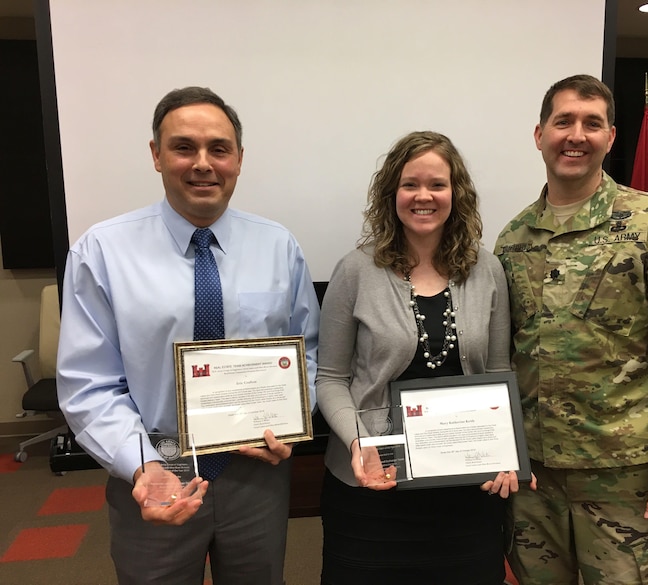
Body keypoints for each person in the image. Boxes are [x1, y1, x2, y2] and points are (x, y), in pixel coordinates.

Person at [56, 86, 319, 585]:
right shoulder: (101, 252)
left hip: (255, 472)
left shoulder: (278, 246)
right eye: (184, 147)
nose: (203, 163)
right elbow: (87, 383)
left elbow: (306, 350)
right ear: (156, 155)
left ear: (238, 159)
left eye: (219, 149)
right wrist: (142, 465)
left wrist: (287, 421)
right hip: (155, 469)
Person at [495, 74, 648, 585]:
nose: (576, 135)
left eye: (591, 123)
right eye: (563, 122)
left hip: (625, 476)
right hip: (535, 478)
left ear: (611, 138)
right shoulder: (513, 239)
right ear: (539, 134)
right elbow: (504, 358)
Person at [316, 130, 529, 585]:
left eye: (437, 184)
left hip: (465, 486)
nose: (423, 196)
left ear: (457, 193)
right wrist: (360, 443)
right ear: (392, 192)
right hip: (371, 484)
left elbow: (497, 373)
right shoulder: (355, 270)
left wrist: (505, 451)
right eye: (410, 184)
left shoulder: (487, 269)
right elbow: (330, 377)